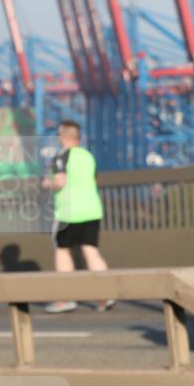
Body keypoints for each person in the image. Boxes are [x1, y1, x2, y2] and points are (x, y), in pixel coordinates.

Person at [41, 120, 113, 313]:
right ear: (78, 137)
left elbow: (59, 182)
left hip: (68, 212)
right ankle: (105, 296)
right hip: (92, 210)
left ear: (62, 137)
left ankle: (65, 299)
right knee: (91, 251)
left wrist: (46, 183)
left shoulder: (61, 157)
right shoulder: (88, 156)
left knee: (62, 251)